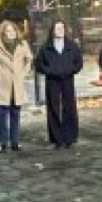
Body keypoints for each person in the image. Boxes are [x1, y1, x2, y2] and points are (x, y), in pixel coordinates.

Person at [0, 20, 33, 153]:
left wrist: (25, 72)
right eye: (8, 31)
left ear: (17, 31)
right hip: (1, 84)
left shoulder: (23, 44)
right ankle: (3, 142)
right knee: (1, 116)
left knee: (15, 114)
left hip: (17, 84)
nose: (11, 33)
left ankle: (15, 142)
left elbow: (29, 58)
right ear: (3, 33)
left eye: (13, 31)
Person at [37, 20, 83, 148]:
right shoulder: (45, 48)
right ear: (52, 30)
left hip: (67, 79)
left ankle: (70, 138)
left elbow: (79, 62)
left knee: (69, 107)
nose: (60, 30)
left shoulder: (72, 46)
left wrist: (71, 70)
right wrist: (49, 71)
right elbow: (39, 64)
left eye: (62, 27)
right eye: (57, 28)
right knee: (53, 108)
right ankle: (56, 139)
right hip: (52, 81)